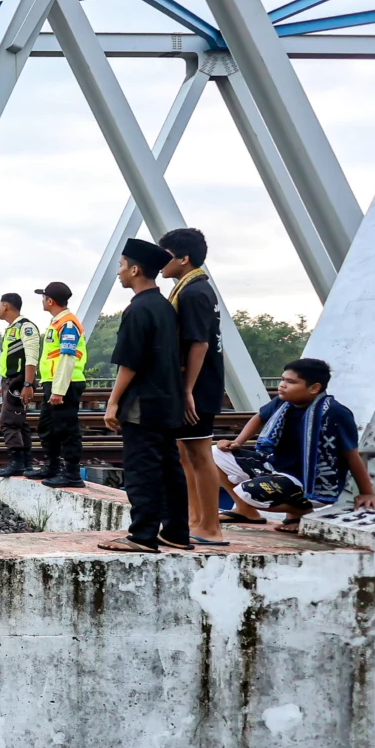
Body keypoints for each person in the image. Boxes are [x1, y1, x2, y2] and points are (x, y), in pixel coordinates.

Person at [212, 358, 375, 531]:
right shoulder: (283, 403)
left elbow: (351, 454)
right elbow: (259, 417)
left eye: (291, 382)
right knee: (216, 453)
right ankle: (246, 511)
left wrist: (367, 492)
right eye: (283, 379)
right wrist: (237, 442)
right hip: (276, 468)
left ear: (314, 388)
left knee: (248, 492)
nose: (282, 385)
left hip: (310, 482)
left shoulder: (335, 414)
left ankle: (300, 510)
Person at [100, 238, 191, 553]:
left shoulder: (138, 309)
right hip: (167, 401)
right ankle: (177, 532)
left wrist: (113, 402)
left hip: (143, 403)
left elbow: (130, 362)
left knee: (142, 469)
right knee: (169, 467)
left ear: (136, 269)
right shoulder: (164, 306)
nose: (119, 272)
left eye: (122, 265)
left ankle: (142, 536)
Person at [159, 228, 227, 546]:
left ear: (183, 259)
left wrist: (187, 389)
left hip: (198, 387)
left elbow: (198, 343)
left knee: (200, 454)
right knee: (186, 454)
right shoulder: (193, 289)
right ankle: (195, 518)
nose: (162, 262)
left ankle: (211, 526)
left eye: (167, 255)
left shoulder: (193, 293)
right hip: (196, 385)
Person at [28, 281, 87, 488]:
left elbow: (67, 358)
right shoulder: (57, 323)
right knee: (47, 426)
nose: (42, 301)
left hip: (65, 384)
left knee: (66, 428)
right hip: (53, 383)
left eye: (43, 297)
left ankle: (72, 474)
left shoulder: (68, 324)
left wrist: (59, 390)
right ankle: (52, 466)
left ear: (50, 300)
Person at [0, 293, 42, 478]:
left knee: (8, 422)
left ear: (6, 306)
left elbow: (31, 358)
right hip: (12, 381)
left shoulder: (25, 327)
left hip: (20, 381)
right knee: (19, 422)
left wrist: (28, 383)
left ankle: (17, 463)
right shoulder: (12, 328)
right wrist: (3, 385)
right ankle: (26, 463)